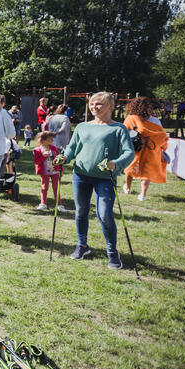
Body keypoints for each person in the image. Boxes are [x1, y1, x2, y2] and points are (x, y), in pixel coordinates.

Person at [55, 92, 135, 269]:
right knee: (81, 211)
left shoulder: (118, 128)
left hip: (105, 178)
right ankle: (82, 246)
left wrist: (116, 164)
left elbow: (129, 153)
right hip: (81, 175)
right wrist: (64, 158)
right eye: (92, 104)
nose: (94, 107)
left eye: (98, 104)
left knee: (105, 214)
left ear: (110, 106)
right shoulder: (83, 126)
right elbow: (72, 148)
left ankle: (112, 252)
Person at [123, 96, 169, 201]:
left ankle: (128, 188)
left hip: (135, 148)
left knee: (130, 168)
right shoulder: (155, 120)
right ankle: (143, 195)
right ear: (148, 107)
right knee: (146, 172)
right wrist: (162, 147)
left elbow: (124, 132)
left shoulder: (130, 119)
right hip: (151, 150)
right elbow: (162, 136)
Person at [33, 131, 65, 212]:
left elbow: (59, 159)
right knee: (44, 187)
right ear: (43, 140)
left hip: (55, 172)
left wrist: (61, 169)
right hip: (45, 172)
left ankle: (59, 205)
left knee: (56, 188)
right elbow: (36, 161)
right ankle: (43, 203)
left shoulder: (54, 148)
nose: (52, 140)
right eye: (50, 139)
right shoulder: (37, 150)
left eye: (52, 138)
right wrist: (43, 156)